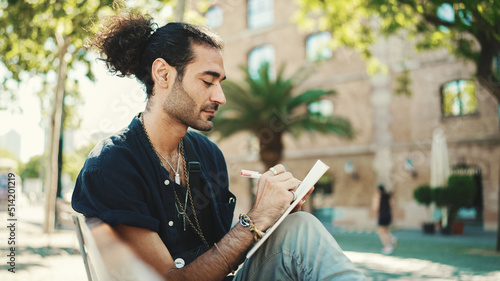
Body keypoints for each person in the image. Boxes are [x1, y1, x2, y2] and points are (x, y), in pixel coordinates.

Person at [72, 11, 366, 281]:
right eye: (208, 81)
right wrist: (254, 220)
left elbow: (224, 254)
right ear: (163, 74)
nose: (221, 97)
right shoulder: (112, 165)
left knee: (299, 228)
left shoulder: (207, 154)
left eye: (221, 83)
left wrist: (272, 221)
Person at [372, 184, 397, 254]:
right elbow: (392, 206)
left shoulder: (378, 197)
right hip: (388, 215)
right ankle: (392, 238)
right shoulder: (388, 197)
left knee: (381, 232)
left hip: (382, 215)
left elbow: (375, 207)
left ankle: (388, 246)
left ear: (378, 190)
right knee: (385, 229)